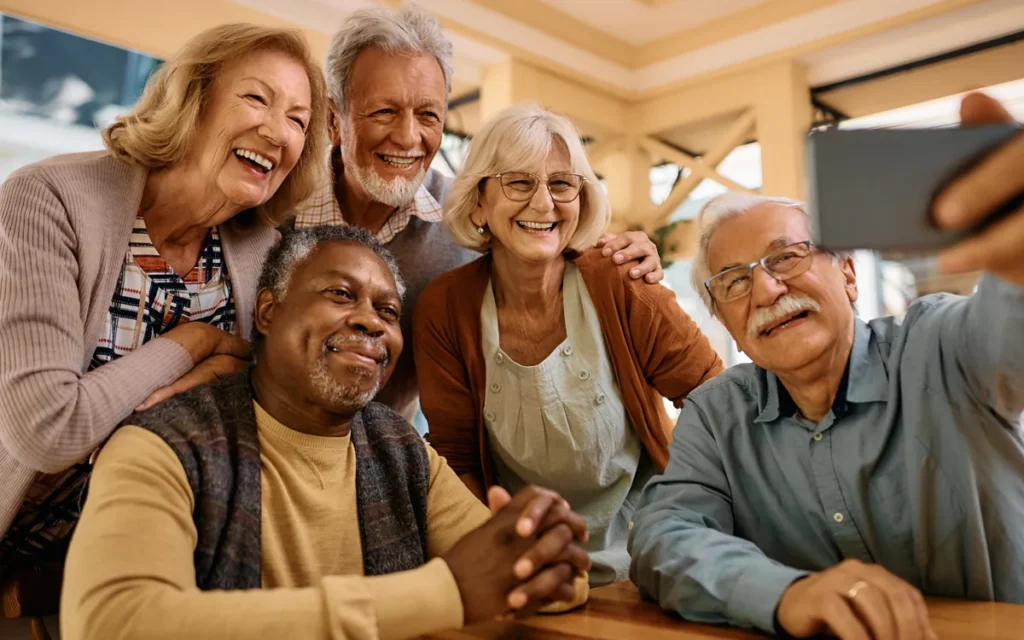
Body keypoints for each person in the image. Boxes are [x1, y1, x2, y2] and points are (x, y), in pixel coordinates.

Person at [60, 225, 591, 640]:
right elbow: (114, 624)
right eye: (341, 294)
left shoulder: (401, 448)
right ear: (268, 311)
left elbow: (527, 577)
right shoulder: (162, 446)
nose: (371, 322)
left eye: (387, 310)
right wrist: (445, 591)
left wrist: (550, 548)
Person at [629, 93, 1024, 640]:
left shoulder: (939, 345)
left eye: (785, 257)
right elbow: (663, 535)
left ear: (848, 275)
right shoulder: (718, 413)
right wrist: (783, 593)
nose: (766, 288)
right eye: (736, 282)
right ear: (728, 320)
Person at [0, 23, 327, 572]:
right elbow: (48, 429)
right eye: (256, 98)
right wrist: (194, 342)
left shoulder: (266, 252)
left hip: (155, 555)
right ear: (193, 100)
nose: (278, 132)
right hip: (20, 548)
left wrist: (235, 365)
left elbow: (273, 400)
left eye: (298, 119)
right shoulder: (48, 199)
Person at [295, 4, 664, 422]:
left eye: (428, 115)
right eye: (385, 111)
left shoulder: (471, 213)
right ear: (332, 119)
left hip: (388, 455)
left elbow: (549, 245)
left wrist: (623, 255)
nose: (408, 136)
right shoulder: (273, 206)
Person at [413, 104, 724, 587]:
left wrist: (680, 515)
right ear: (478, 202)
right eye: (518, 182)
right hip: (526, 562)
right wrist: (502, 557)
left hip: (651, 555)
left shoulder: (621, 278)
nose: (544, 204)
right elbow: (457, 461)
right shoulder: (444, 307)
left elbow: (715, 402)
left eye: (561, 184)